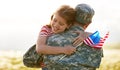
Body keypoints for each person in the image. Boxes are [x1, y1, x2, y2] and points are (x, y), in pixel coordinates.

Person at [42, 4, 103, 70]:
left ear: (72, 18)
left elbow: (31, 59)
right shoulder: (96, 43)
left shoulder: (51, 37)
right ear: (89, 23)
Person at [36, 5, 77, 69]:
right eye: (55, 20)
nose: (56, 25)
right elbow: (40, 48)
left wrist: (85, 34)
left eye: (61, 24)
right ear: (52, 17)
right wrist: (64, 50)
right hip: (48, 66)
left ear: (68, 25)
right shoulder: (46, 29)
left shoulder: (69, 32)